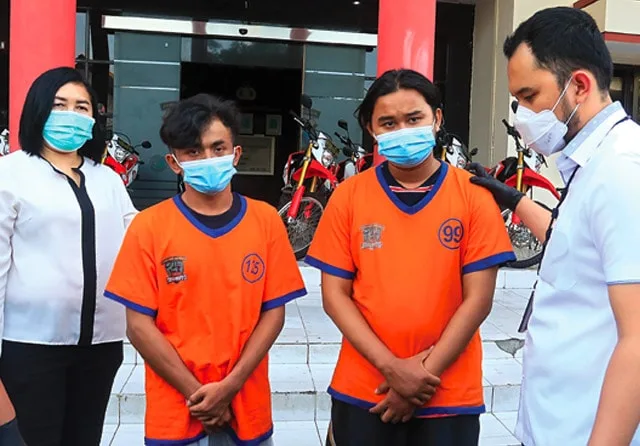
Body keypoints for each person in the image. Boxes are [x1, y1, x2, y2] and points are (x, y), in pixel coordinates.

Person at [306, 69, 516, 446]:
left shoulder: (473, 196)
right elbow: (335, 295)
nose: (402, 130)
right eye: (388, 122)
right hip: (365, 389)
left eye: (414, 118)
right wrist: (392, 369)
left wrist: (420, 376)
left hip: (447, 392)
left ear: (437, 118)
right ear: (371, 129)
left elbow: (478, 300)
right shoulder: (349, 196)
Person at [468, 7, 640, 446]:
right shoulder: (593, 161)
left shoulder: (622, 168)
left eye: (530, 96)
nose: (523, 115)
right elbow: (577, 245)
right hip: (557, 422)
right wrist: (514, 200)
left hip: (585, 430)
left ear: (578, 85)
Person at [104, 93, 307, 446]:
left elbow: (274, 314)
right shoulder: (148, 227)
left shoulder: (265, 221)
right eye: (193, 152)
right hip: (177, 410)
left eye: (218, 148)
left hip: (247, 406)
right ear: (174, 162)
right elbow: (138, 326)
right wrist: (197, 394)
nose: (208, 159)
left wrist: (230, 387)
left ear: (236, 154)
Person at [0, 66, 137, 445]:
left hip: (101, 346)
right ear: (38, 109)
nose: (71, 115)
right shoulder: (10, 174)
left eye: (82, 107)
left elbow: (140, 240)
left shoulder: (107, 179)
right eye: (59, 105)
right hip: (30, 345)